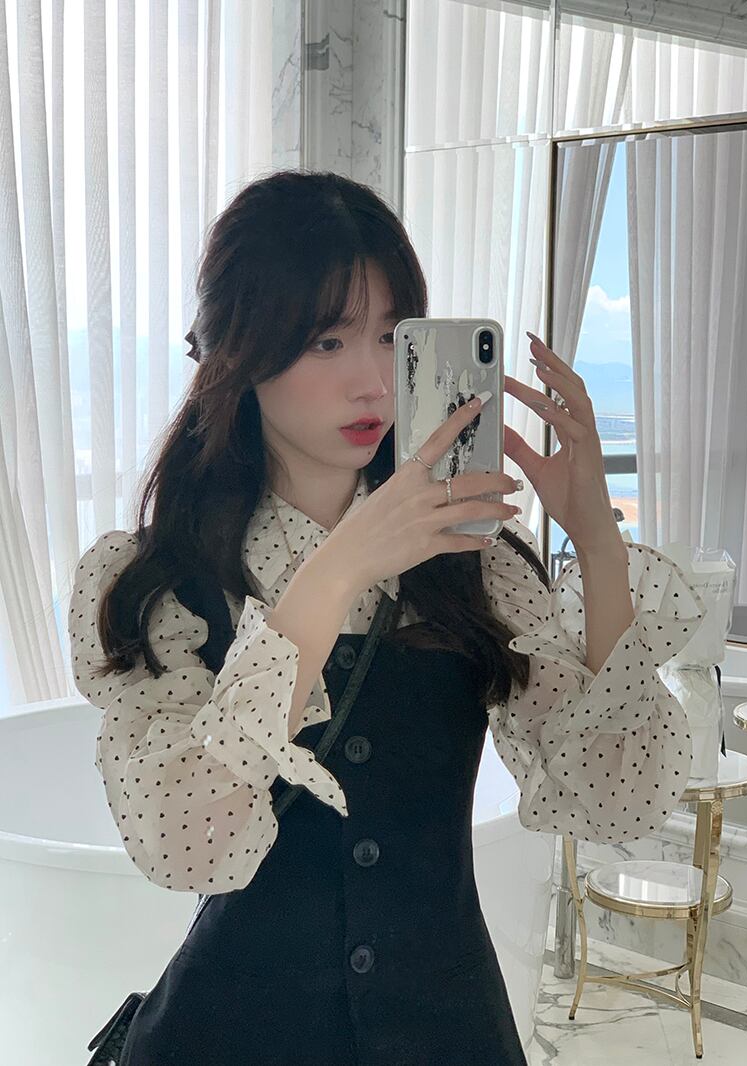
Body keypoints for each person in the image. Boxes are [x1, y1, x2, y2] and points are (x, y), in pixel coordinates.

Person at [68, 169, 707, 1065]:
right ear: (240, 349)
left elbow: (613, 800)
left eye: (389, 335)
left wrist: (597, 542)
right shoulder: (166, 585)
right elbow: (180, 848)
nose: (372, 381)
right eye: (327, 340)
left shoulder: (475, 564)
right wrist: (338, 570)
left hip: (447, 1033)